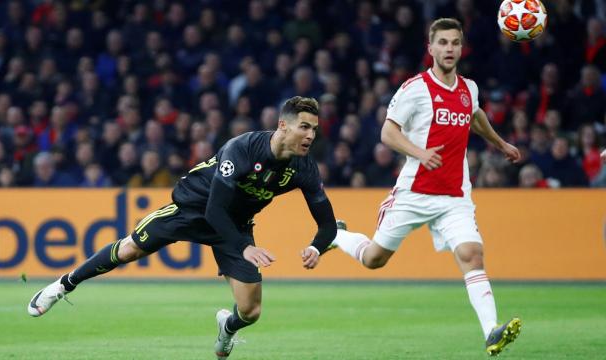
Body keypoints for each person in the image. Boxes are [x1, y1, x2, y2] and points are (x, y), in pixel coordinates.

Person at [27, 96, 337, 359]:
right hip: (193, 208)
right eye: (304, 127)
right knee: (129, 249)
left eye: (314, 129)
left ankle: (227, 328)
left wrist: (315, 246)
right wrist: (245, 247)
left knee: (250, 312)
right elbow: (215, 209)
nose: (310, 135)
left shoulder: (304, 169)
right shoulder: (242, 148)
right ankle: (62, 286)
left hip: (235, 225)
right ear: (283, 125)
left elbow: (327, 225)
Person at [329, 18, 522, 356]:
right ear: (430, 48)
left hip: (454, 196)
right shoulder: (414, 88)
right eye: (443, 43)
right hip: (413, 194)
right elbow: (388, 133)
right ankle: (337, 235)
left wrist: (501, 143)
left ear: (462, 48)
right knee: (374, 259)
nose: (449, 49)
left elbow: (475, 116)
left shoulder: (469, 88)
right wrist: (420, 153)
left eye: (455, 43)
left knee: (472, 254)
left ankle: (492, 331)